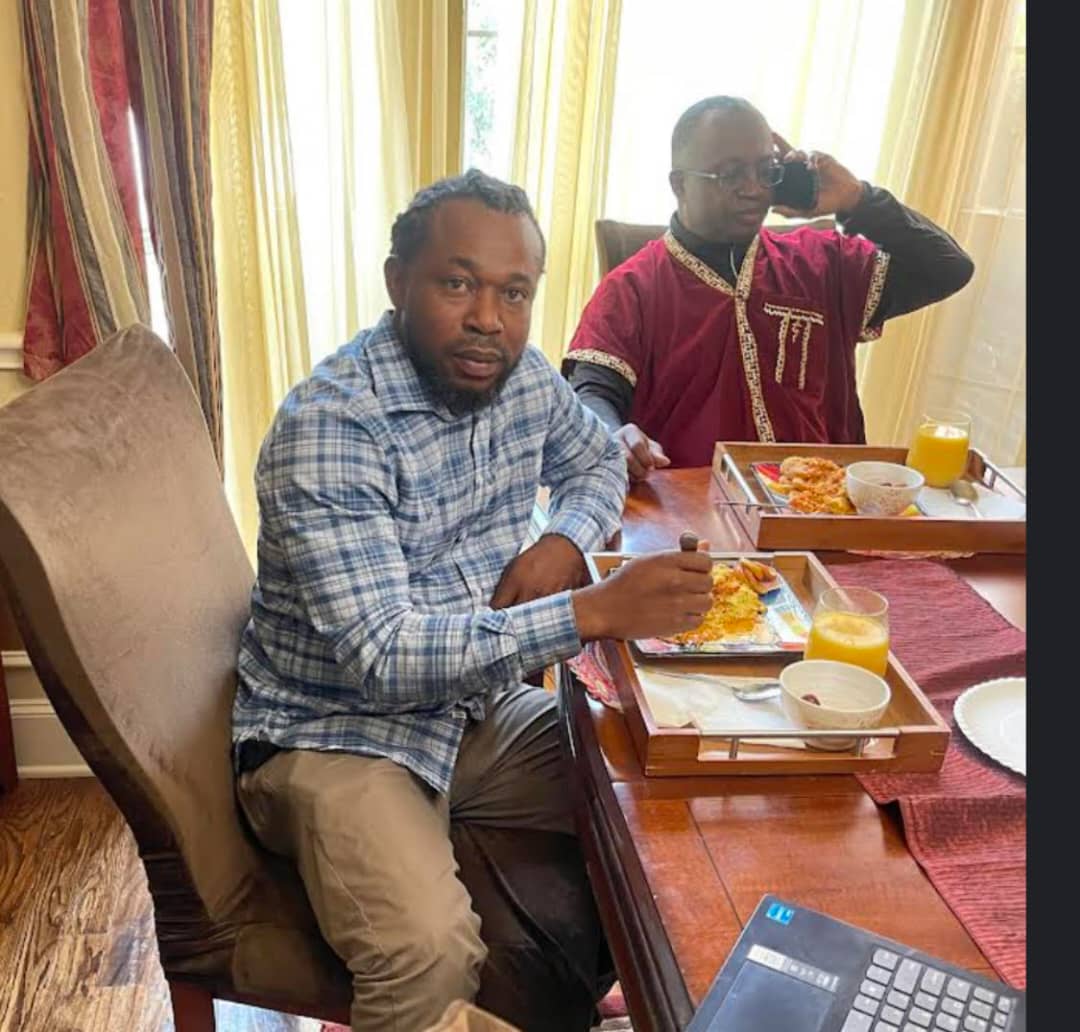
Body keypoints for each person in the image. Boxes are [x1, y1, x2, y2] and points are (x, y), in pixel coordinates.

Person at [230, 169, 714, 1032]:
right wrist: (591, 611)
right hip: (334, 735)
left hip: (470, 711)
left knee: (652, 793)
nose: (489, 317)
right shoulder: (332, 428)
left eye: (514, 292)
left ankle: (616, 997)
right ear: (398, 283)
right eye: (457, 284)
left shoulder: (518, 376)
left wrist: (564, 544)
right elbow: (383, 658)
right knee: (429, 953)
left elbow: (595, 460)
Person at [564, 95, 975, 479]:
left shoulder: (823, 264)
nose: (754, 189)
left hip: (818, 506)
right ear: (679, 184)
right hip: (694, 511)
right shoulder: (633, 288)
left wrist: (859, 199)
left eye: (766, 171)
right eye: (730, 174)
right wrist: (613, 433)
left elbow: (948, 267)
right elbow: (591, 391)